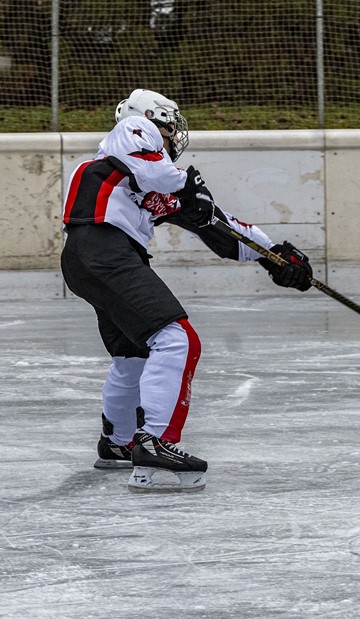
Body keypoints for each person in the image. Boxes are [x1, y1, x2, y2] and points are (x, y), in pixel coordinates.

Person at [60, 88, 313, 493]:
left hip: (90, 258)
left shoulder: (146, 182)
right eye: (169, 125)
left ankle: (119, 443)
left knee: (133, 354)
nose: (173, 135)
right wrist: (188, 186)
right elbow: (163, 175)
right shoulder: (131, 133)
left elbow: (220, 229)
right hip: (103, 247)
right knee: (178, 339)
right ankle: (158, 443)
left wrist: (273, 256)